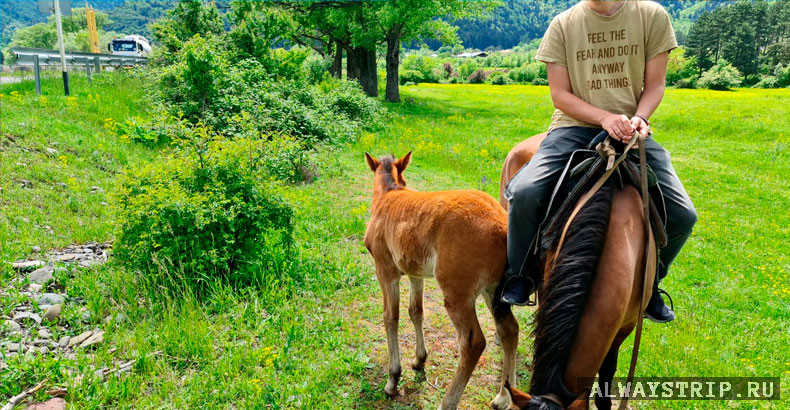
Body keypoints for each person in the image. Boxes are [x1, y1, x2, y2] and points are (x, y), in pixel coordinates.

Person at [501, 0, 697, 323]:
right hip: (572, 129)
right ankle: (520, 274)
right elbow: (560, 96)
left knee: (683, 214)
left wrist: (639, 118)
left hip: (630, 132)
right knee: (524, 192)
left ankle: (649, 285)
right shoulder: (563, 26)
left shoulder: (651, 17)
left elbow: (656, 85)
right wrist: (604, 117)